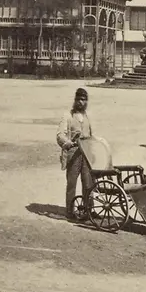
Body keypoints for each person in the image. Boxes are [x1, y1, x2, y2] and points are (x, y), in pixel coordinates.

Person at [56, 88, 93, 220]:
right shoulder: (68, 116)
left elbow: (91, 135)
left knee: (88, 183)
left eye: (83, 100)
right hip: (73, 154)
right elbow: (60, 135)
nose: (80, 102)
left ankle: (89, 210)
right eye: (78, 99)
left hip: (86, 155)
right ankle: (70, 211)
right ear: (75, 100)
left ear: (86, 101)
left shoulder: (87, 117)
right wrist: (67, 143)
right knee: (72, 183)